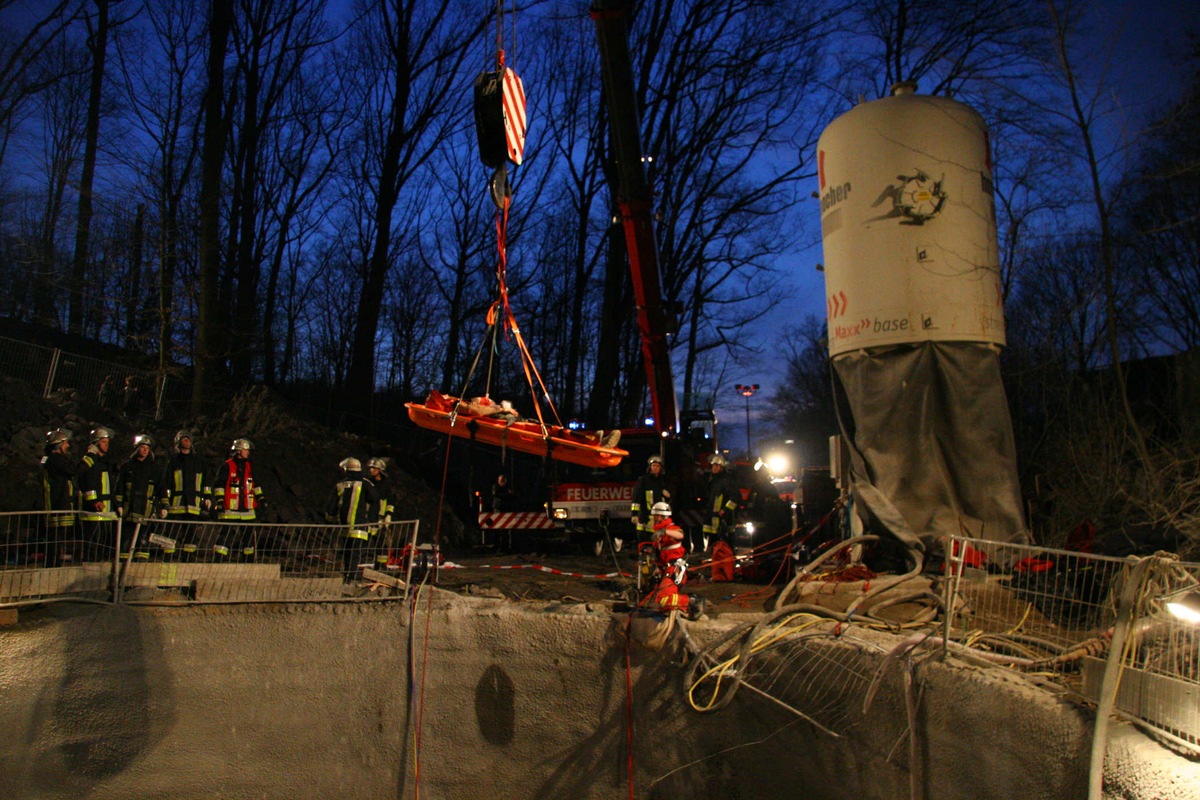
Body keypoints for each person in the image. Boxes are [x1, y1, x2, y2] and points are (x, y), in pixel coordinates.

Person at [645, 501, 704, 619]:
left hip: (674, 569)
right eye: (654, 516)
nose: (654, 518)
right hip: (665, 569)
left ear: (663, 516)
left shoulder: (671, 528)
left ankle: (692, 601)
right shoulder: (658, 534)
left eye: (656, 516)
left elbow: (680, 535)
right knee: (660, 600)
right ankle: (681, 606)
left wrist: (664, 532)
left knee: (664, 599)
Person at [160, 430, 212, 561]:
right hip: (177, 504)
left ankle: (188, 557)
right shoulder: (173, 461)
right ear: (178, 443)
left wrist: (207, 497)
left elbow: (206, 481)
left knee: (191, 534)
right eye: (184, 439)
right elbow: (166, 483)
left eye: (188, 439)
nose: (187, 441)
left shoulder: (199, 461)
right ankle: (168, 556)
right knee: (172, 532)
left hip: (193, 505)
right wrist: (165, 503)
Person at [326, 457, 379, 580]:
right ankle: (352, 576)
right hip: (359, 526)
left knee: (346, 551)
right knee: (355, 553)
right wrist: (373, 521)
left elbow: (331, 506)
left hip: (344, 526)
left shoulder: (339, 485)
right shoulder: (365, 484)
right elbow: (375, 499)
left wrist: (331, 519)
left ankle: (347, 575)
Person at [212, 437, 263, 561]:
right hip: (230, 509)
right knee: (225, 536)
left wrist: (261, 499)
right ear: (239, 451)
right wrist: (219, 501)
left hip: (247, 510)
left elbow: (255, 485)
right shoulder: (227, 466)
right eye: (246, 450)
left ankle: (248, 561)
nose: (248, 452)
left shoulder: (250, 467)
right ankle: (218, 561)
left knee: (248, 539)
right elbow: (219, 485)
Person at [116, 433, 161, 560]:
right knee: (127, 537)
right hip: (129, 509)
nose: (145, 451)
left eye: (147, 448)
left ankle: (141, 562)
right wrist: (118, 505)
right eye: (142, 448)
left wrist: (163, 506)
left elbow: (160, 488)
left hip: (146, 510)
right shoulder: (127, 467)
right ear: (136, 449)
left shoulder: (154, 469)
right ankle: (124, 560)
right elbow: (119, 487)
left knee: (143, 538)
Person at [38, 428, 78, 567]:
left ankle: (53, 563)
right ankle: (53, 565)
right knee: (56, 537)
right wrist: (90, 457)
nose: (67, 446)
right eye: (66, 443)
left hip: (56, 503)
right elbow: (74, 470)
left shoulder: (49, 459)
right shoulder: (57, 460)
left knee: (56, 538)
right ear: (59, 445)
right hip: (58, 504)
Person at [78, 426, 117, 562]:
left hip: (105, 508)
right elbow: (87, 482)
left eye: (107, 443)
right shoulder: (91, 459)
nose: (106, 445)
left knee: (103, 540)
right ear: (96, 442)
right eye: (104, 442)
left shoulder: (103, 462)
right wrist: (94, 501)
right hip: (94, 509)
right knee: (93, 541)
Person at [702, 453, 740, 549]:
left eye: (717, 466)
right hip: (713, 518)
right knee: (713, 542)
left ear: (722, 467)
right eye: (713, 465)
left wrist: (725, 510)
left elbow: (734, 498)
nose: (714, 468)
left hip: (724, 519)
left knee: (726, 543)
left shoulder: (726, 481)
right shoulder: (713, 481)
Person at [630, 455, 671, 539]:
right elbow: (636, 498)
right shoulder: (643, 481)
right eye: (653, 466)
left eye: (657, 466)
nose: (655, 468)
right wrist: (634, 514)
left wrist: (668, 496)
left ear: (661, 468)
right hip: (645, 516)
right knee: (644, 541)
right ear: (650, 467)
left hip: (660, 517)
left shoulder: (663, 481)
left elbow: (668, 501)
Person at [366, 456, 394, 572]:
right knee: (366, 541)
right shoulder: (367, 482)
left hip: (381, 517)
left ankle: (381, 565)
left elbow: (390, 501)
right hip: (369, 516)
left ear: (380, 469)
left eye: (374, 468)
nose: (371, 470)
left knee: (381, 543)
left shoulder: (386, 484)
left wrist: (388, 514)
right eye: (370, 467)